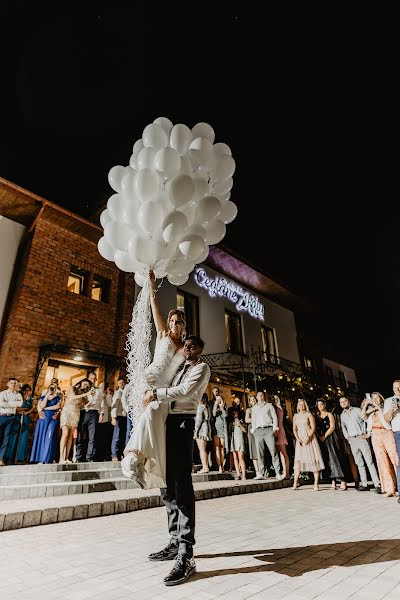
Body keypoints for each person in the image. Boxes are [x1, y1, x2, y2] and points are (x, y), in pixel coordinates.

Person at [144, 335, 210, 586]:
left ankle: (186, 552)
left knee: (182, 483)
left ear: (200, 350)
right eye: (186, 345)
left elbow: (184, 391)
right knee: (166, 483)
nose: (188, 348)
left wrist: (155, 393)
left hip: (183, 423)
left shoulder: (201, 368)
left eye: (193, 346)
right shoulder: (178, 367)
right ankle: (174, 540)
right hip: (166, 423)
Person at [122, 270, 186, 488]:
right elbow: (153, 304)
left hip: (165, 389)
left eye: (179, 322)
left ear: (184, 326)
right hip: (150, 379)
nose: (175, 324)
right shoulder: (163, 335)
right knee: (149, 415)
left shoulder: (185, 351)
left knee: (154, 417)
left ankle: (137, 460)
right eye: (173, 321)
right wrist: (151, 285)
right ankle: (134, 458)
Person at [340, 396, 381, 492]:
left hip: (361, 438)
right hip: (353, 441)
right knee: (359, 463)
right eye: (341, 402)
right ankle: (365, 484)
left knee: (369, 462)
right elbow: (343, 427)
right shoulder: (342, 415)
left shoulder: (357, 410)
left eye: (345, 401)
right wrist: (348, 438)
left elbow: (366, 420)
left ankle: (377, 484)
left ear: (348, 401)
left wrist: (367, 433)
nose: (343, 403)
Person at [363, 392, 398, 497]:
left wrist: (377, 406)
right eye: (373, 398)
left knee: (395, 458)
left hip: (387, 433)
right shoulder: (371, 411)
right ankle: (389, 488)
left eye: (377, 398)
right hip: (375, 435)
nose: (375, 400)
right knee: (381, 461)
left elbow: (387, 417)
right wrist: (366, 404)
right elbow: (363, 416)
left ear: (381, 399)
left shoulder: (385, 407)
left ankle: (398, 484)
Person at [292, 398, 325, 490]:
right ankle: (295, 483)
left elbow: (313, 427)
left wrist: (308, 437)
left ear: (305, 405)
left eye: (303, 404)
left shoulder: (308, 414)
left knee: (313, 460)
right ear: (297, 406)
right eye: (299, 404)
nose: (301, 406)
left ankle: (316, 484)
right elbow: (294, 429)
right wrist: (298, 439)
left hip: (309, 438)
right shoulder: (295, 416)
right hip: (300, 440)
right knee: (298, 461)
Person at [315, 398, 347, 490]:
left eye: (321, 404)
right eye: (318, 405)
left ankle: (343, 481)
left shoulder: (329, 414)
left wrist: (324, 436)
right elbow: (315, 428)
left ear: (324, 405)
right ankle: (333, 481)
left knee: (335, 458)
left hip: (331, 438)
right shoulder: (317, 416)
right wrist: (319, 436)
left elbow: (332, 427)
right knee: (327, 459)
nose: (320, 407)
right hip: (321, 440)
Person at [251, 391, 283, 481]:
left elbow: (274, 417)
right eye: (258, 395)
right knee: (260, 453)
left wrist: (274, 428)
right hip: (258, 431)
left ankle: (278, 473)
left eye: (261, 395)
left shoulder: (269, 405)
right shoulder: (254, 408)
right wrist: (254, 430)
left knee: (273, 451)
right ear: (256, 397)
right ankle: (261, 473)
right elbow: (253, 419)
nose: (260, 396)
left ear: (263, 396)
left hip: (268, 429)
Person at [59, 380, 90, 464]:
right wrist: (86, 394)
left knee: (70, 436)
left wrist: (92, 397)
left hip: (76, 414)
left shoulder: (83, 395)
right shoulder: (72, 388)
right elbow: (73, 397)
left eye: (87, 385)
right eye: (85, 384)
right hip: (67, 412)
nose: (86, 386)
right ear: (80, 383)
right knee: (65, 434)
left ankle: (66, 458)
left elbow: (86, 405)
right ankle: (61, 458)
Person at [75, 372, 104, 463]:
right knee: (80, 435)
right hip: (84, 412)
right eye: (91, 378)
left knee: (92, 435)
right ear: (88, 379)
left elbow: (101, 402)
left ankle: (89, 456)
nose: (93, 380)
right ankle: (78, 456)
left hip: (94, 413)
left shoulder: (99, 390)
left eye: (94, 379)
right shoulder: (83, 389)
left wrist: (101, 413)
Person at [29, 383, 62, 464]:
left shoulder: (58, 397)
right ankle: (40, 458)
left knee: (50, 437)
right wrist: (47, 395)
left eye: (54, 387)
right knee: (42, 437)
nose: (52, 389)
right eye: (51, 387)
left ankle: (47, 458)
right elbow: (41, 405)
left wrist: (46, 408)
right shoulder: (43, 397)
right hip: (43, 419)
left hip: (52, 419)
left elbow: (57, 406)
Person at [5, 383, 34, 464]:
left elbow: (32, 408)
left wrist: (27, 412)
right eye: (25, 390)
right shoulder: (19, 397)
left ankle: (20, 457)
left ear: (30, 391)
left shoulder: (31, 399)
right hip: (17, 417)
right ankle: (10, 456)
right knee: (14, 436)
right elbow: (15, 407)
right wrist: (20, 410)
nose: (26, 392)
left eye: (28, 390)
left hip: (25, 418)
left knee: (23, 437)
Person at [383, 380, 400, 502]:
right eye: (395, 388)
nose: (397, 390)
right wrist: (393, 411)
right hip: (398, 432)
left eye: (399, 388)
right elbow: (386, 418)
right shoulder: (389, 401)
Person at [0, 377, 23, 466]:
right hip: (1, 417)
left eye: (14, 383)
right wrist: (13, 405)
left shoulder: (18, 395)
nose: (13, 385)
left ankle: (1, 459)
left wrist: (7, 404)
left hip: (11, 418)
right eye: (11, 383)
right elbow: (1, 404)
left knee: (7, 438)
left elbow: (20, 404)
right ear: (8, 384)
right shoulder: (2, 393)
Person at [272, 395, 290, 480]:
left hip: (279, 432)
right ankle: (284, 472)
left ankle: (286, 472)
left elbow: (279, 422)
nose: (275, 401)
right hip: (277, 431)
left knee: (283, 452)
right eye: (273, 399)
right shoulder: (275, 408)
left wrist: (276, 433)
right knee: (280, 453)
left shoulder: (278, 409)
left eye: (276, 399)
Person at [194, 392, 211, 473]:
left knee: (202, 449)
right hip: (206, 429)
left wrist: (195, 431)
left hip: (201, 430)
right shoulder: (206, 407)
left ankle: (205, 467)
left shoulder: (200, 407)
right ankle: (205, 467)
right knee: (203, 449)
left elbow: (199, 420)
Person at [229, 407, 247, 479]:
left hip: (239, 440)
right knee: (235, 458)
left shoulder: (241, 421)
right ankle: (238, 474)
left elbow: (245, 430)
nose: (235, 414)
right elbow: (229, 432)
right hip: (233, 440)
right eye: (233, 413)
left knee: (241, 457)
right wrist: (232, 425)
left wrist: (239, 424)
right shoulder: (231, 423)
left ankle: (244, 475)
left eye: (236, 413)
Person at [212, 395, 229, 473]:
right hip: (216, 429)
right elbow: (214, 414)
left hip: (222, 429)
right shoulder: (214, 406)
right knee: (217, 448)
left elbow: (225, 415)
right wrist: (216, 404)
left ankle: (222, 465)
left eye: (220, 399)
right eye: (217, 399)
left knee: (222, 448)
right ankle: (219, 466)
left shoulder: (224, 407)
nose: (219, 400)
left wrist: (222, 407)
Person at [245, 395, 259, 475]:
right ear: (249, 402)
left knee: (260, 448)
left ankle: (262, 469)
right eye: (251, 400)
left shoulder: (259, 408)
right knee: (253, 449)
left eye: (254, 399)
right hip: (252, 429)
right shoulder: (249, 410)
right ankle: (257, 471)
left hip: (259, 428)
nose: (253, 400)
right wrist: (255, 419)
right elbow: (246, 420)